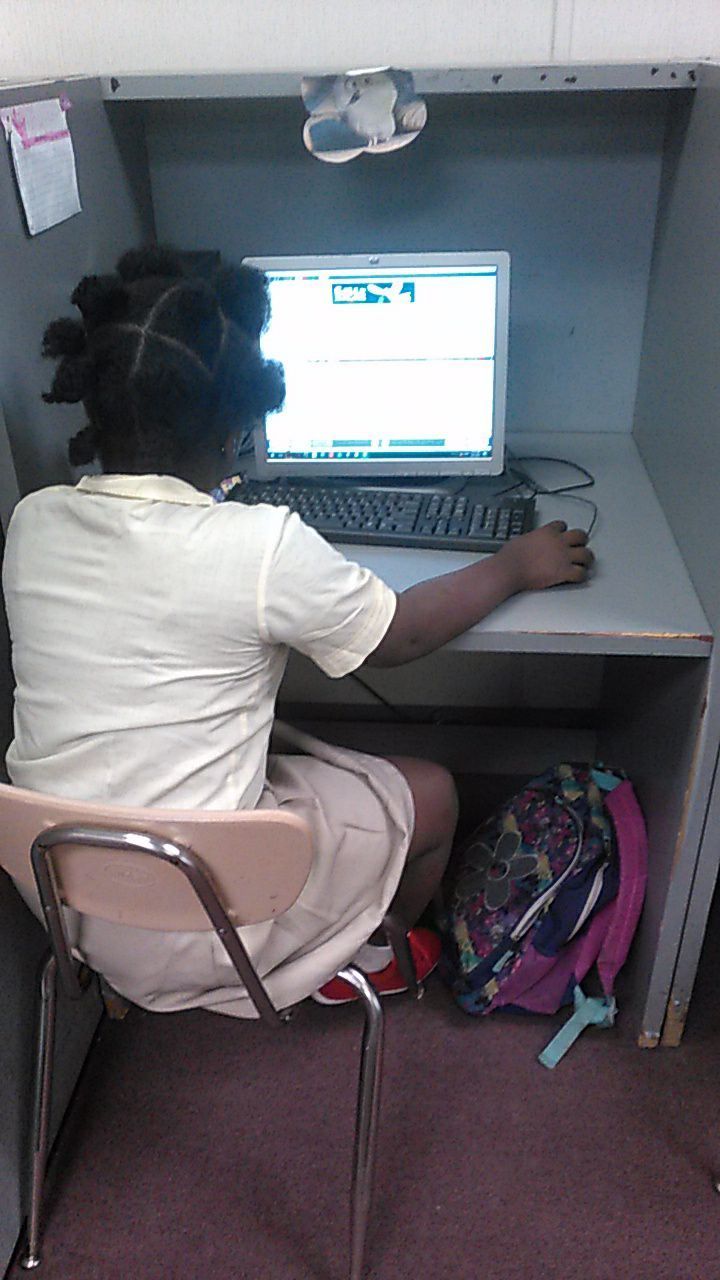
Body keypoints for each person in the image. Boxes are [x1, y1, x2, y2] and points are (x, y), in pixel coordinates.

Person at [2, 247, 593, 1016]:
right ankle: (369, 960)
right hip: (214, 919)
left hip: (67, 900)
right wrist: (516, 564)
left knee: (285, 742)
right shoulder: (260, 545)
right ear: (238, 428)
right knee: (436, 793)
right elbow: (402, 634)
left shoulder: (33, 521)